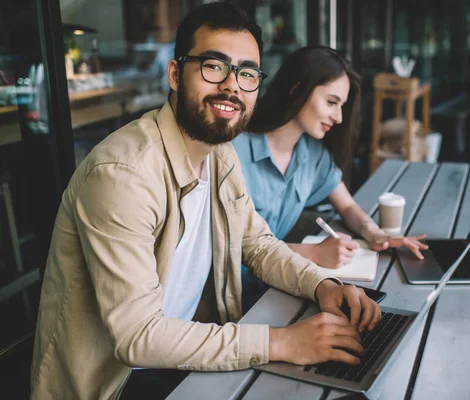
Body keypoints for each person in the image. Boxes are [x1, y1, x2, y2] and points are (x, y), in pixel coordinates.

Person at [30, 4, 381, 399]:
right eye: (214, 66)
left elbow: (257, 245)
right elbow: (137, 337)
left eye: (247, 73)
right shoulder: (122, 175)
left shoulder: (220, 153)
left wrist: (323, 286)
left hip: (183, 354)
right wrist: (280, 342)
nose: (232, 86)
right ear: (176, 75)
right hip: (119, 380)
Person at [232, 46, 428, 311]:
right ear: (296, 89)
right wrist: (313, 254)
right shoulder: (234, 151)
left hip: (281, 288)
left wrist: (374, 233)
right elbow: (228, 250)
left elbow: (346, 205)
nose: (338, 118)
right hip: (236, 303)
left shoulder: (312, 154)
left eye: (341, 106)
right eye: (331, 102)